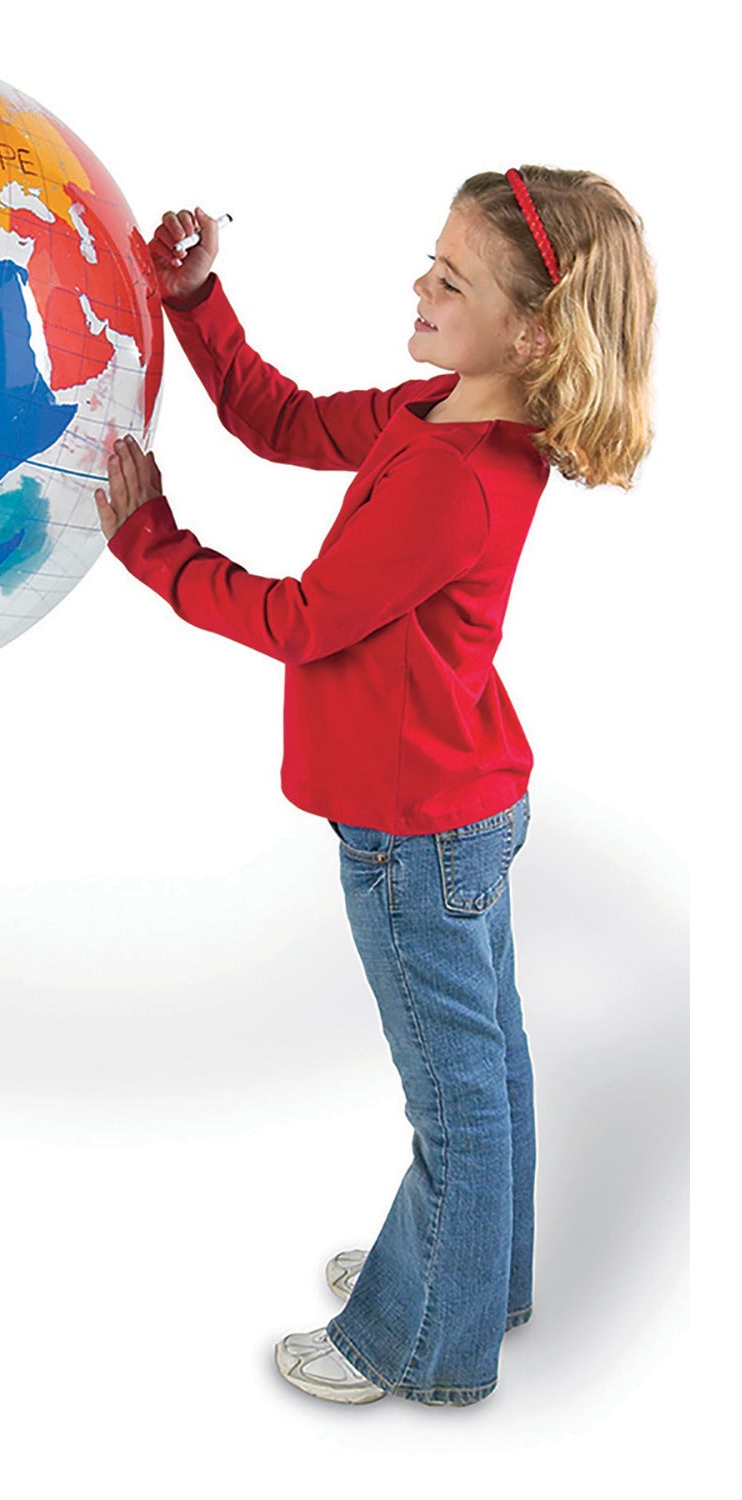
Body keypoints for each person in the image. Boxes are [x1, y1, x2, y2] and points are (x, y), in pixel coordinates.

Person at [95, 169, 654, 1406]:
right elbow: (283, 421)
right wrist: (197, 302)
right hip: (463, 802)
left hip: (417, 833)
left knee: (456, 1100)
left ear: (532, 333)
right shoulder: (440, 413)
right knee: (490, 1068)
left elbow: (301, 621)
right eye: (430, 261)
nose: (419, 285)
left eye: (451, 280)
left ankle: (422, 1345)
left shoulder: (455, 479)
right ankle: (477, 1279)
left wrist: (152, 544)